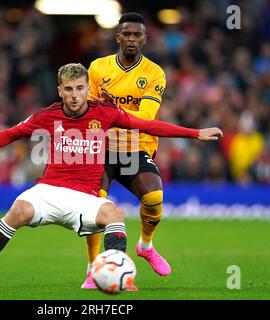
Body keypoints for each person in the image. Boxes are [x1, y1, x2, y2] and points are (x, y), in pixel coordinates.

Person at [0, 63, 222, 291]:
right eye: (68, 89)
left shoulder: (105, 113)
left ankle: (117, 275)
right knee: (17, 210)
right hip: (48, 191)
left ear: (87, 89)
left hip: (85, 198)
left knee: (115, 214)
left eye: (80, 88)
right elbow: (10, 134)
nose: (74, 95)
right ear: (60, 90)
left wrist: (195, 133)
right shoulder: (46, 116)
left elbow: (149, 125)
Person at [81, 12, 174, 289]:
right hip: (103, 147)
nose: (131, 39)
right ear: (117, 36)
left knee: (155, 196)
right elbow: (87, 111)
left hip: (136, 146)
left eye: (137, 35)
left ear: (145, 39)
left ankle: (145, 246)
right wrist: (104, 111)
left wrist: (113, 108)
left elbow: (146, 116)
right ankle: (92, 268)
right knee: (95, 204)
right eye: (126, 34)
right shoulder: (98, 68)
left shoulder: (154, 73)